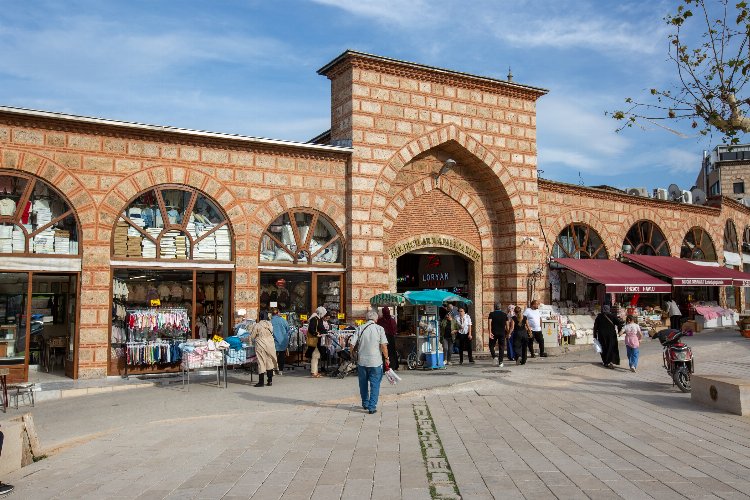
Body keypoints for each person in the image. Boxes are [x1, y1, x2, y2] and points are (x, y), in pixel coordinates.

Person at [353, 310, 389, 414]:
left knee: (363, 384)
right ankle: (372, 407)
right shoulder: (380, 329)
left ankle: (365, 403)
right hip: (375, 362)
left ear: (366, 319)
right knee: (375, 384)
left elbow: (352, 344)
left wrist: (353, 354)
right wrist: (386, 358)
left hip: (362, 361)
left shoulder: (360, 328)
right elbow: (383, 346)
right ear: (376, 319)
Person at [249, 315, 279, 387]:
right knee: (269, 361)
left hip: (261, 344)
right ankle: (270, 381)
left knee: (261, 362)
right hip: (270, 344)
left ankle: (261, 382)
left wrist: (249, 340)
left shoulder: (257, 325)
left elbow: (252, 336)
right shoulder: (270, 325)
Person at [593, 304, 624, 368]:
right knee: (611, 347)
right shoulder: (612, 316)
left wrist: (595, 336)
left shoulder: (599, 317)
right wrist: (619, 332)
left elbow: (595, 327)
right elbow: (619, 324)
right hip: (611, 335)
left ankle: (606, 362)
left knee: (604, 348)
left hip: (602, 335)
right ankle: (611, 361)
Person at [306, 306, 327, 378]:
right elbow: (310, 329)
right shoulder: (314, 319)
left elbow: (321, 328)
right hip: (315, 340)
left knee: (316, 356)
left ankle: (315, 372)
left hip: (318, 341)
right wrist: (316, 334)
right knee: (315, 356)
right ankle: (314, 373)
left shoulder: (318, 319)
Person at [488, 302, 509, 367]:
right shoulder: (504, 315)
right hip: (502, 333)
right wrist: (507, 333)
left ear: (494, 307)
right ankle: (501, 362)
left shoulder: (491, 314)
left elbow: (489, 323)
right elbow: (507, 326)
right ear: (500, 307)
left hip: (494, 332)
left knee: (491, 345)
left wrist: (490, 332)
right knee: (501, 347)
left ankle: (494, 356)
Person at [270, 308, 290, 374]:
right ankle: (280, 370)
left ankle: (273, 369)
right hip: (283, 340)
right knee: (281, 355)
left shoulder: (270, 321)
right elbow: (288, 329)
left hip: (273, 340)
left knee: (273, 356)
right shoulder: (283, 320)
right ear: (278, 313)